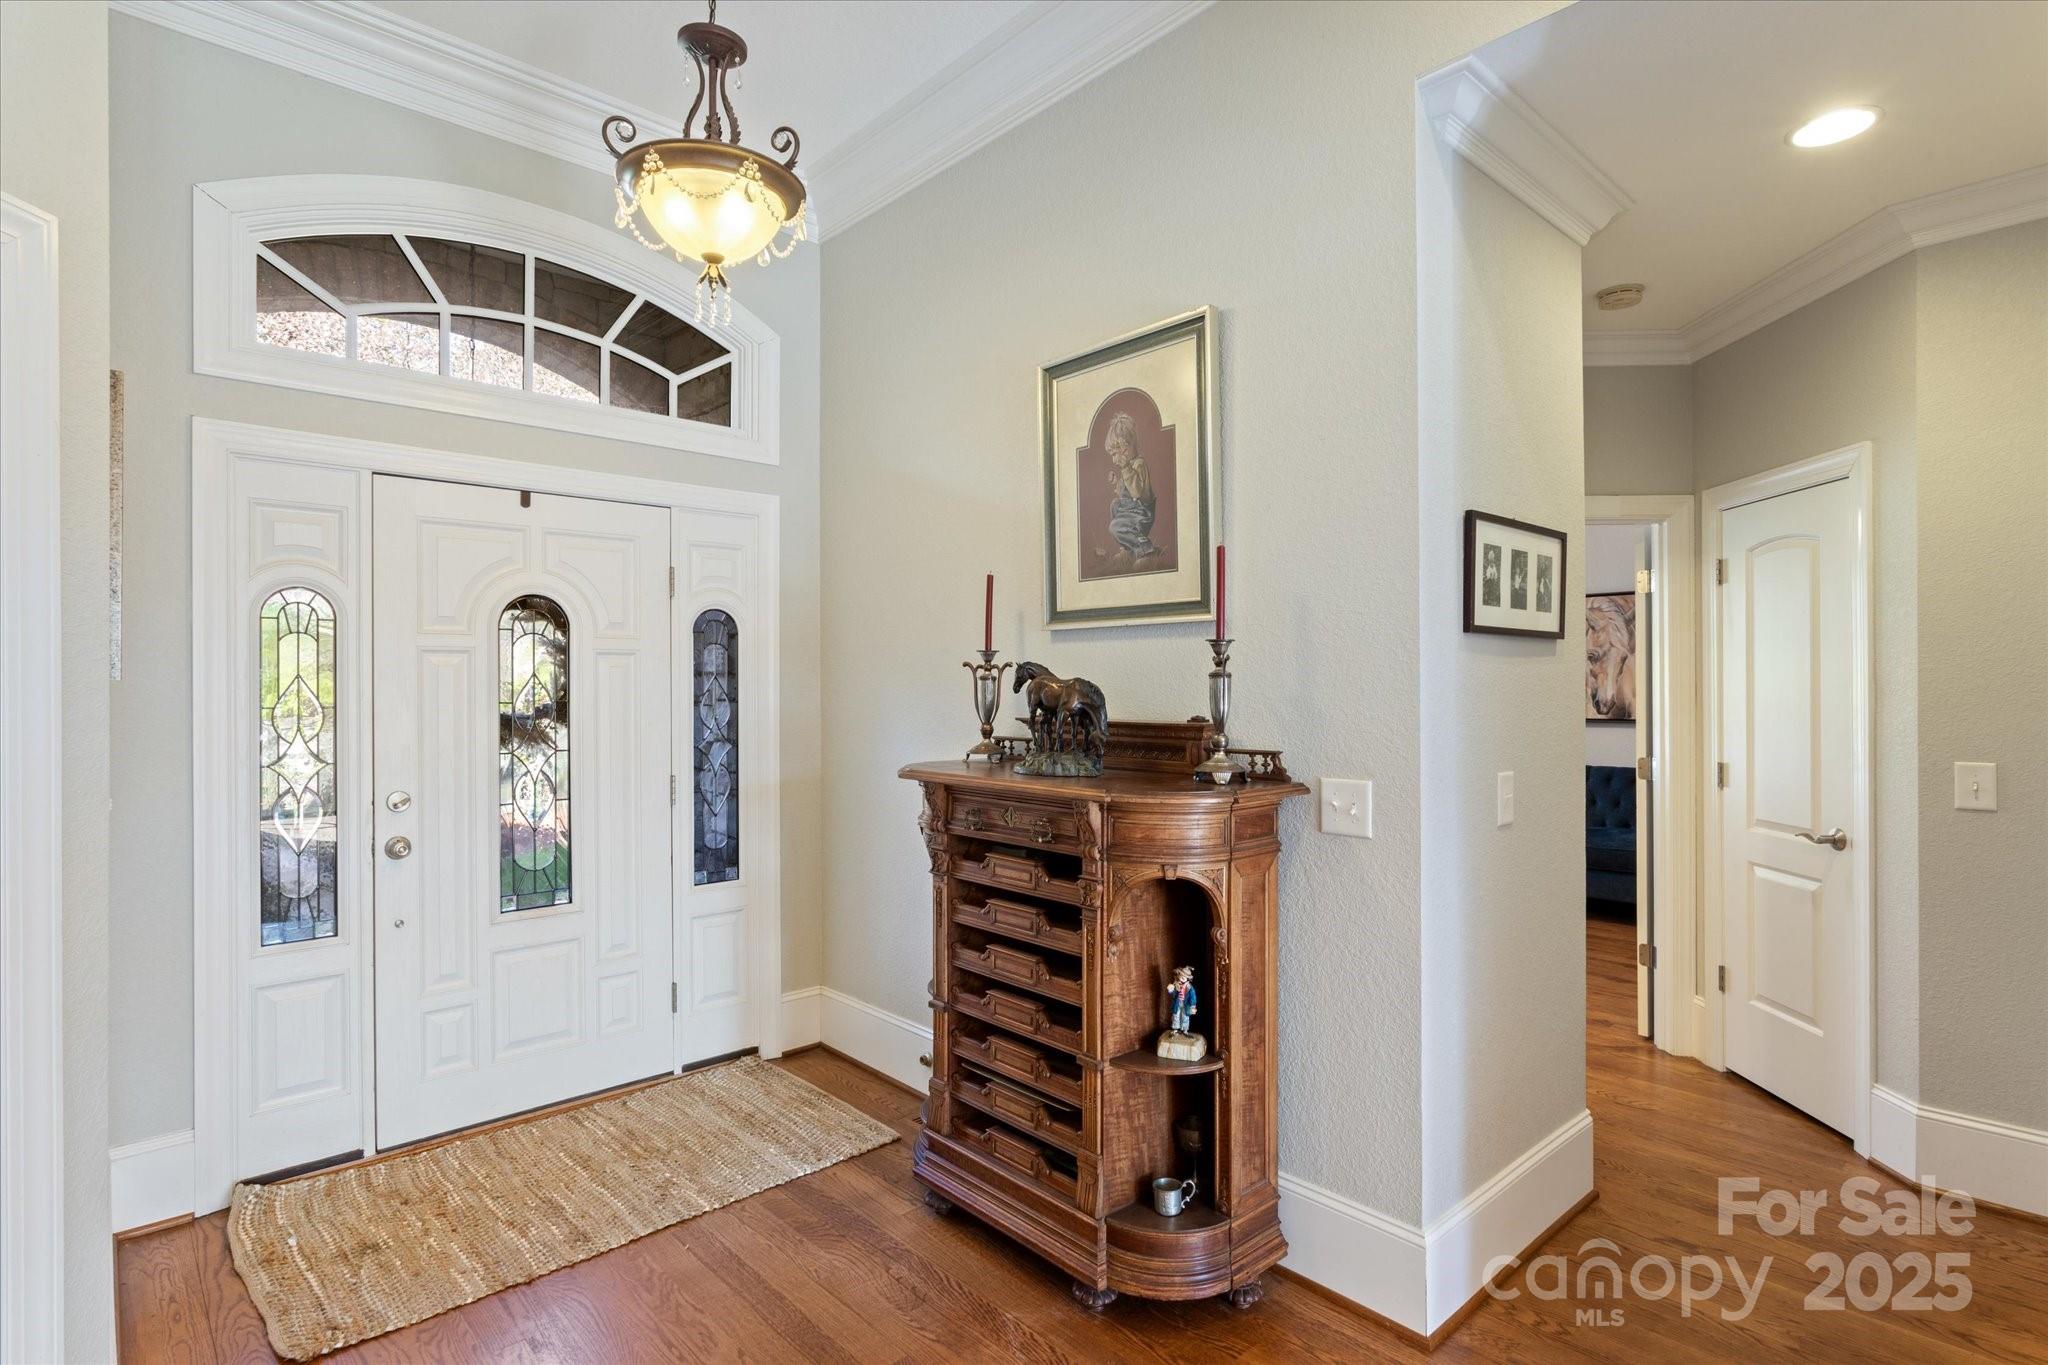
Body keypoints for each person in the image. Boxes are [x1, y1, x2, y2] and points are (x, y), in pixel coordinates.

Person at [1104, 411, 1159, 562]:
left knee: (1114, 527)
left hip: (1141, 514)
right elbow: (1125, 495)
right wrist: (1117, 483)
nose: (1114, 460)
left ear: (1125, 449)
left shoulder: (1139, 464)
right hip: (1130, 511)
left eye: (1115, 454)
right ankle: (1127, 549)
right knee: (1115, 505)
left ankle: (1146, 549)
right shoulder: (1127, 467)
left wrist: (1125, 469)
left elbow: (1136, 493)